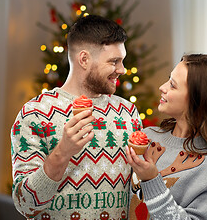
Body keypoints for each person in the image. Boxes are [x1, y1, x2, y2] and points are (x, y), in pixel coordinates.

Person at [11, 15, 142, 220]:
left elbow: (138, 191)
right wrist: (63, 152)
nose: (122, 70)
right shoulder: (35, 113)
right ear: (84, 59)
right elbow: (25, 205)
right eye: (114, 61)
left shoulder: (128, 113)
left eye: (122, 61)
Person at [126, 54, 207, 220]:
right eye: (168, 80)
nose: (162, 87)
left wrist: (152, 180)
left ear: (198, 100)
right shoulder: (148, 137)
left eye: (173, 85)